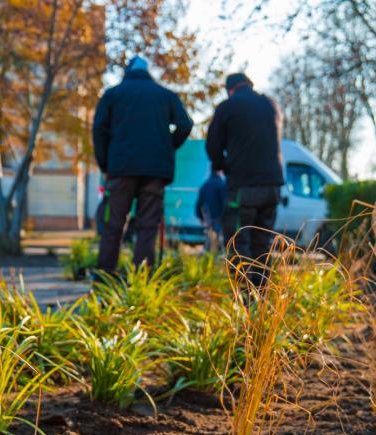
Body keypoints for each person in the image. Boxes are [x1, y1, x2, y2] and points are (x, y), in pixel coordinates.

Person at [92, 56, 193, 274]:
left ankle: (104, 278)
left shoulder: (113, 95)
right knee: (148, 227)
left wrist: (105, 165)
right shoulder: (165, 96)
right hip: (154, 172)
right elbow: (185, 124)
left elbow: (98, 130)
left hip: (120, 169)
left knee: (113, 226)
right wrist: (166, 147)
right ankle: (142, 280)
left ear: (127, 71)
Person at [206, 73, 284, 282]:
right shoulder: (270, 105)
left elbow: (212, 146)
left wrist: (222, 166)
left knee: (238, 243)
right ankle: (262, 299)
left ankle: (244, 300)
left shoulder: (227, 107)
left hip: (244, 187)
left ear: (230, 90)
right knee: (262, 244)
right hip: (272, 187)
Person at [195, 169, 226, 252]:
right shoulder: (222, 185)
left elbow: (199, 203)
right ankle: (219, 256)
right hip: (219, 217)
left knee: (210, 237)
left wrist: (200, 216)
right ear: (219, 172)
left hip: (208, 217)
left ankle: (208, 256)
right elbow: (225, 202)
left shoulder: (205, 185)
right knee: (220, 239)